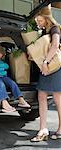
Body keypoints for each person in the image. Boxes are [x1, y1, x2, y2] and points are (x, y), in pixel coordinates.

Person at [30, 10, 61, 141]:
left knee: (57, 97)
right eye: (37, 22)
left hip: (54, 66)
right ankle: (43, 129)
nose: (39, 23)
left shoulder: (55, 29)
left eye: (40, 21)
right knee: (41, 94)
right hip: (46, 67)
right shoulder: (44, 31)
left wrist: (45, 61)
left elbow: (54, 46)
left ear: (47, 19)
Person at [0, 45, 30, 113]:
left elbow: (7, 66)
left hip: (3, 76)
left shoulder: (0, 62)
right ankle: (4, 103)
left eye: (0, 58)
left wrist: (0, 66)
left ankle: (21, 99)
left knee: (12, 83)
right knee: (1, 84)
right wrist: (2, 71)